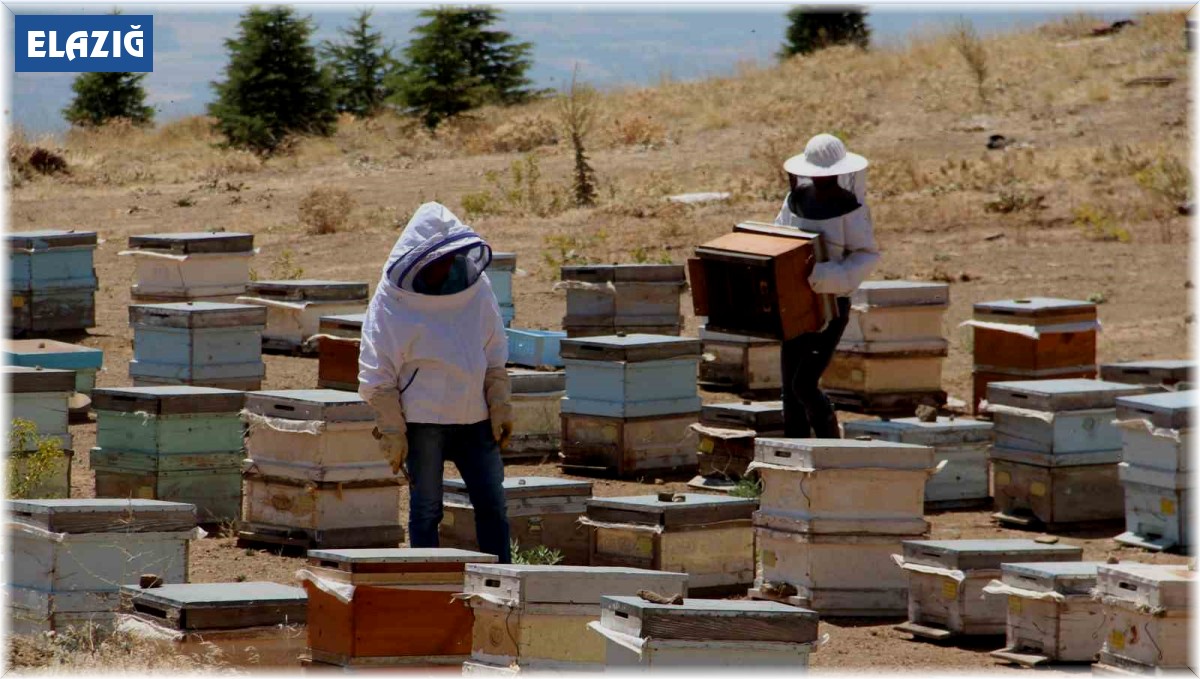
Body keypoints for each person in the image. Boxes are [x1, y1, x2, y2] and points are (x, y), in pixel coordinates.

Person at [358, 202, 513, 563]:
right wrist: (392, 429)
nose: (443, 267)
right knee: (427, 510)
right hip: (423, 421)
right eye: (435, 260)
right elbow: (378, 369)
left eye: (448, 258)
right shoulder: (393, 299)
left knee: (493, 505)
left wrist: (500, 401)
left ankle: (503, 581)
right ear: (416, 260)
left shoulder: (475, 289)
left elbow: (494, 349)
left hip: (475, 417)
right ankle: (427, 580)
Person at [773, 133, 880, 439]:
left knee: (803, 384)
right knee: (789, 390)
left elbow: (866, 255)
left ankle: (831, 443)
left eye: (828, 175)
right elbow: (778, 236)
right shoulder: (794, 201)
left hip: (830, 308)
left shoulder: (851, 208)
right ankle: (794, 452)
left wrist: (825, 275)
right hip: (795, 304)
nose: (822, 181)